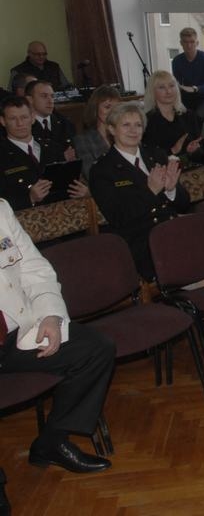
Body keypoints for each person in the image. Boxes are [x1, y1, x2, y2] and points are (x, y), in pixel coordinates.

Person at [0, 197, 116, 473]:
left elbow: (33, 268)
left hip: (13, 330)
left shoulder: (1, 209)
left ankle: (52, 441)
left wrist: (50, 314)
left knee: (95, 349)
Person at [89, 103, 191, 283]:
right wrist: (150, 191)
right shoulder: (103, 170)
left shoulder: (156, 155)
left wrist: (172, 190)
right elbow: (119, 217)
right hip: (142, 243)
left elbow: (184, 204)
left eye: (138, 125)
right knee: (203, 273)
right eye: (126, 125)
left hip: (174, 232)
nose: (133, 130)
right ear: (112, 129)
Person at [0, 97, 88, 211]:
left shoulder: (53, 148)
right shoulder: (3, 155)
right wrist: (29, 198)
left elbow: (69, 183)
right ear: (2, 121)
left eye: (24, 117)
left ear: (32, 118)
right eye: (13, 118)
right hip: (25, 222)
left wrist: (82, 191)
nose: (20, 123)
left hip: (65, 216)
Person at [142, 70, 204, 164]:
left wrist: (193, 151)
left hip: (190, 169)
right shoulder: (147, 121)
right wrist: (173, 151)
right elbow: (147, 158)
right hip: (161, 173)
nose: (168, 91)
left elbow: (200, 154)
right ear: (152, 92)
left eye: (172, 86)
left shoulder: (189, 116)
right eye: (162, 87)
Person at [72, 84, 121, 180]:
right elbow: (90, 174)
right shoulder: (82, 140)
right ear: (95, 109)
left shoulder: (125, 135)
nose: (113, 112)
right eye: (107, 107)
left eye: (116, 108)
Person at [170, 27, 204, 125]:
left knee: (196, 118)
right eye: (185, 42)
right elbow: (176, 84)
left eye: (192, 42)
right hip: (185, 98)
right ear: (181, 43)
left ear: (197, 43)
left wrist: (195, 89)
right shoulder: (177, 61)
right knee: (176, 117)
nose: (189, 45)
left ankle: (195, 140)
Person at [26, 79, 76, 160]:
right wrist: (61, 157)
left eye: (52, 96)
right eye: (44, 96)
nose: (50, 101)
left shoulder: (65, 123)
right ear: (30, 99)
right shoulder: (23, 126)